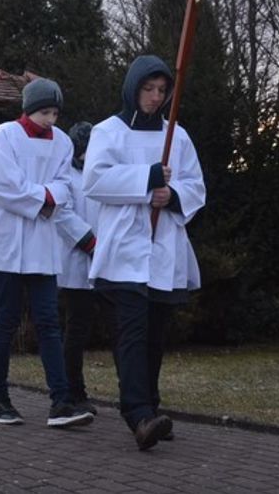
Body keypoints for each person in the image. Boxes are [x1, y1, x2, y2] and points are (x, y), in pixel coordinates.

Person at [83, 55, 205, 451]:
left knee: (155, 334)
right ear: (133, 88)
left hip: (163, 250)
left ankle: (150, 408)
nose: (155, 97)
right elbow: (96, 182)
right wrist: (148, 178)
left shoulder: (178, 135)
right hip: (124, 250)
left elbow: (196, 187)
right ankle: (136, 413)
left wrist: (173, 196)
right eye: (148, 89)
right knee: (132, 333)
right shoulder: (109, 132)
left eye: (161, 91)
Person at [0, 79, 95, 429]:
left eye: (55, 113)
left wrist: (46, 197)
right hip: (7, 241)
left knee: (49, 322)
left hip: (41, 242)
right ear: (28, 109)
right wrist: (44, 198)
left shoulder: (64, 142)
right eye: (44, 112)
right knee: (7, 319)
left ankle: (61, 402)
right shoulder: (6, 134)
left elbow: (65, 184)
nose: (50, 119)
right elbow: (2, 184)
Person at [58, 121, 105, 416]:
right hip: (78, 263)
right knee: (76, 330)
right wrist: (89, 242)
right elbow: (62, 215)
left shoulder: (101, 176)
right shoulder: (68, 176)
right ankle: (74, 391)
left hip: (106, 261)